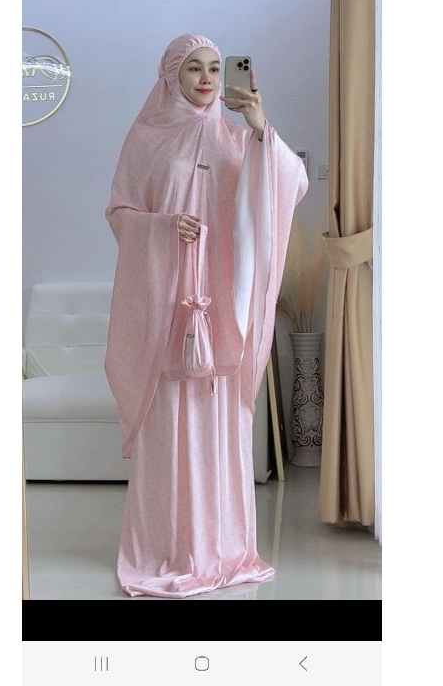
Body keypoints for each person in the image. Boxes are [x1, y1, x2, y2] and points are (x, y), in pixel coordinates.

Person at [104, 33, 308, 598]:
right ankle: (170, 548)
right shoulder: (146, 137)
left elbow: (290, 184)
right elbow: (120, 213)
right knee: (170, 423)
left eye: (215, 68)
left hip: (221, 308)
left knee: (220, 420)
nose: (207, 79)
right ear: (171, 74)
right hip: (167, 305)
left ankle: (220, 546)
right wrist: (164, 227)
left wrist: (261, 127)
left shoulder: (238, 139)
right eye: (194, 67)